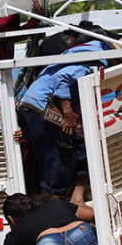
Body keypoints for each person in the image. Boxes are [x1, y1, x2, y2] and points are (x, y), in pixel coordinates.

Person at [17, 31, 110, 203]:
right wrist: (67, 113)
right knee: (59, 157)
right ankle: (49, 202)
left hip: (41, 103)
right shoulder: (97, 57)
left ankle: (71, 197)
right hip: (41, 106)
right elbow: (62, 78)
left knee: (77, 145)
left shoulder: (85, 51)